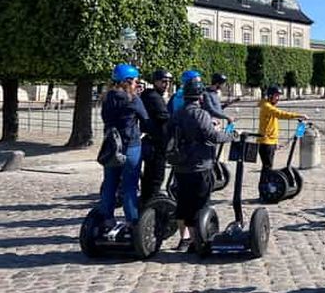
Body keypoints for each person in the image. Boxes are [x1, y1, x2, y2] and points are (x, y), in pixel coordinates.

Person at [168, 77, 234, 251]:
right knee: (200, 203)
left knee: (183, 203)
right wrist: (230, 136)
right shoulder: (200, 114)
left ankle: (184, 239)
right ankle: (199, 240)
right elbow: (212, 136)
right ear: (200, 97)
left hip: (181, 165)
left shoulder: (177, 113)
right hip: (200, 164)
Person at [99, 63, 150, 228]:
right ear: (127, 81)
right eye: (135, 81)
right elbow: (145, 119)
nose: (137, 84)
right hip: (130, 145)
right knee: (129, 185)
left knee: (110, 183)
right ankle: (131, 221)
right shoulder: (132, 99)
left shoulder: (106, 98)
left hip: (111, 145)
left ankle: (107, 218)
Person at [257, 85, 308, 193]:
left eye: (278, 96)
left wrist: (276, 142)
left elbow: (271, 127)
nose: (278, 98)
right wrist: (298, 115)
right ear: (270, 96)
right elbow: (280, 114)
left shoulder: (269, 106)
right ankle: (264, 191)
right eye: (276, 96)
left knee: (267, 168)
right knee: (267, 168)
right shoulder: (266, 106)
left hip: (269, 141)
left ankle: (264, 190)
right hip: (266, 143)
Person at [139, 69, 172, 205]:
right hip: (156, 142)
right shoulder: (153, 96)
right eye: (163, 82)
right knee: (155, 177)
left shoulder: (152, 95)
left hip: (155, 140)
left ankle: (146, 202)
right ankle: (150, 206)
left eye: (169, 82)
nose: (166, 85)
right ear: (156, 82)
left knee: (150, 176)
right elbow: (164, 116)